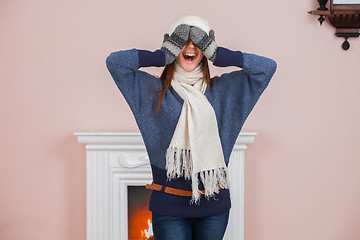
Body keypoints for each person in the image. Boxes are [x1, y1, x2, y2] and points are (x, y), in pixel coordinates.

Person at [106, 14, 277, 240]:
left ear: (206, 49)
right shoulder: (152, 91)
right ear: (172, 45)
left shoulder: (224, 91)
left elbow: (267, 68)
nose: (190, 47)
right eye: (181, 40)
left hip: (214, 207)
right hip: (168, 207)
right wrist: (162, 55)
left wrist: (219, 54)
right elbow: (115, 63)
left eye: (198, 42)